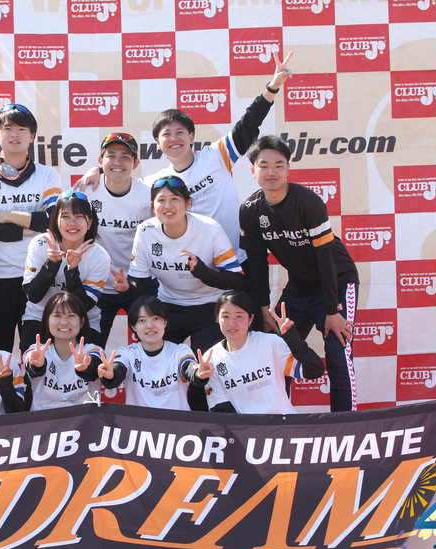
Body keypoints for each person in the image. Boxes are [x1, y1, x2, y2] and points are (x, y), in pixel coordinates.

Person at [76, 52, 294, 259]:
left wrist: (272, 87)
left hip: (235, 260)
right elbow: (122, 180)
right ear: (158, 143)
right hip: (190, 269)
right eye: (166, 135)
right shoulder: (156, 182)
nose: (174, 139)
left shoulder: (216, 156)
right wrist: (98, 170)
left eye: (180, 132)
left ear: (191, 137)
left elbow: (249, 123)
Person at [239, 135, 359, 411]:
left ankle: (345, 424)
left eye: (279, 165)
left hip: (338, 281)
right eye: (264, 165)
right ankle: (280, 420)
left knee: (338, 352)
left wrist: (332, 310)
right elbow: (256, 262)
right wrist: (263, 308)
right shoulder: (250, 209)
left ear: (288, 169)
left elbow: (325, 256)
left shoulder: (308, 202)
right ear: (253, 170)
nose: (272, 172)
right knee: (278, 350)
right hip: (300, 287)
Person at [112, 175, 245, 358]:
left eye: (175, 199)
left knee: (204, 365)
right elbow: (140, 283)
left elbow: (237, 280)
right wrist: (127, 287)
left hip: (209, 305)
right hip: (169, 305)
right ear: (152, 206)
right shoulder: (145, 231)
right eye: (161, 200)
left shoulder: (210, 229)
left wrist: (203, 272)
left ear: (187, 203)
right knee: (157, 362)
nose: (168, 206)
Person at [0, 103, 62, 352]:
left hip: (38, 278)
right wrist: (26, 229)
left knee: (39, 353)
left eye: (22, 129)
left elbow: (52, 220)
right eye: (8, 128)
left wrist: (7, 215)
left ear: (32, 136)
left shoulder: (48, 175)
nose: (15, 135)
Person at [80, 133, 154, 344]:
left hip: (138, 282)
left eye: (125, 157)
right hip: (97, 284)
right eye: (111, 156)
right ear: (100, 160)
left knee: (152, 345)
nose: (117, 163)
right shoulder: (85, 191)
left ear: (136, 163)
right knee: (90, 348)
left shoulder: (148, 195)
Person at [204, 291, 325, 415]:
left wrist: (293, 339)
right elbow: (220, 408)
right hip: (244, 426)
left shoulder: (270, 343)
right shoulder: (211, 358)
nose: (232, 323)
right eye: (225, 316)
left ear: (251, 319)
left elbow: (314, 371)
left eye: (239, 316)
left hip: (282, 422)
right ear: (217, 318)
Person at [22, 191, 111, 350]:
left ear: (89, 222)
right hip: (39, 317)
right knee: (33, 363)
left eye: (79, 216)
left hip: (82, 321)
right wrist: (51, 264)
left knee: (88, 364)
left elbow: (85, 306)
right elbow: (33, 296)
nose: (72, 223)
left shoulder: (100, 256)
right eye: (65, 216)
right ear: (56, 221)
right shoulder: (40, 244)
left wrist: (72, 270)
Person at [98, 295, 213, 411]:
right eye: (142, 320)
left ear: (165, 323)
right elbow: (118, 369)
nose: (149, 326)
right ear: (133, 327)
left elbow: (189, 367)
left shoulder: (180, 351)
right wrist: (111, 374)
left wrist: (198, 372)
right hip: (138, 422)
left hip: (177, 421)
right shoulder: (127, 353)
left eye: (155, 319)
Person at [22, 292, 104, 411]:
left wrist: (86, 368)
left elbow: (96, 363)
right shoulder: (36, 350)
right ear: (47, 321)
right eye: (57, 316)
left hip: (85, 419)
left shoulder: (93, 350)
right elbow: (31, 366)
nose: (64, 322)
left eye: (71, 316)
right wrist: (37, 365)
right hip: (45, 419)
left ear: (82, 322)